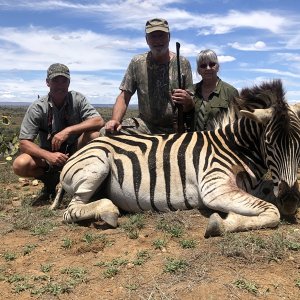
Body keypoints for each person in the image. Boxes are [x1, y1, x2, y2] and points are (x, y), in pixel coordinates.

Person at [13, 63, 104, 203]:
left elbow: (98, 121)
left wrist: (68, 130)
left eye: (64, 81)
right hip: (48, 157)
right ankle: (50, 181)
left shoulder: (77, 99)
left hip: (76, 152)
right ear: (47, 82)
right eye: (55, 80)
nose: (60, 85)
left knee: (95, 135)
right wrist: (49, 156)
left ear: (69, 82)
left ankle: (90, 182)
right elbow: (24, 143)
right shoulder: (38, 107)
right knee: (21, 164)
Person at [104, 18, 194, 135]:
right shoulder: (137, 62)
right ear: (147, 39)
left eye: (161, 35)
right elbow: (124, 97)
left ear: (169, 37)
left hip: (174, 127)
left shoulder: (183, 63)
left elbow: (191, 104)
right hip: (145, 125)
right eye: (153, 36)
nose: (157, 40)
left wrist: (187, 101)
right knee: (107, 132)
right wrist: (115, 120)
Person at [193, 49, 239, 131]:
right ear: (199, 70)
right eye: (203, 66)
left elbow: (236, 123)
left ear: (217, 67)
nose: (208, 68)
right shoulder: (191, 90)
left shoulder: (231, 92)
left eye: (212, 64)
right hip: (195, 141)